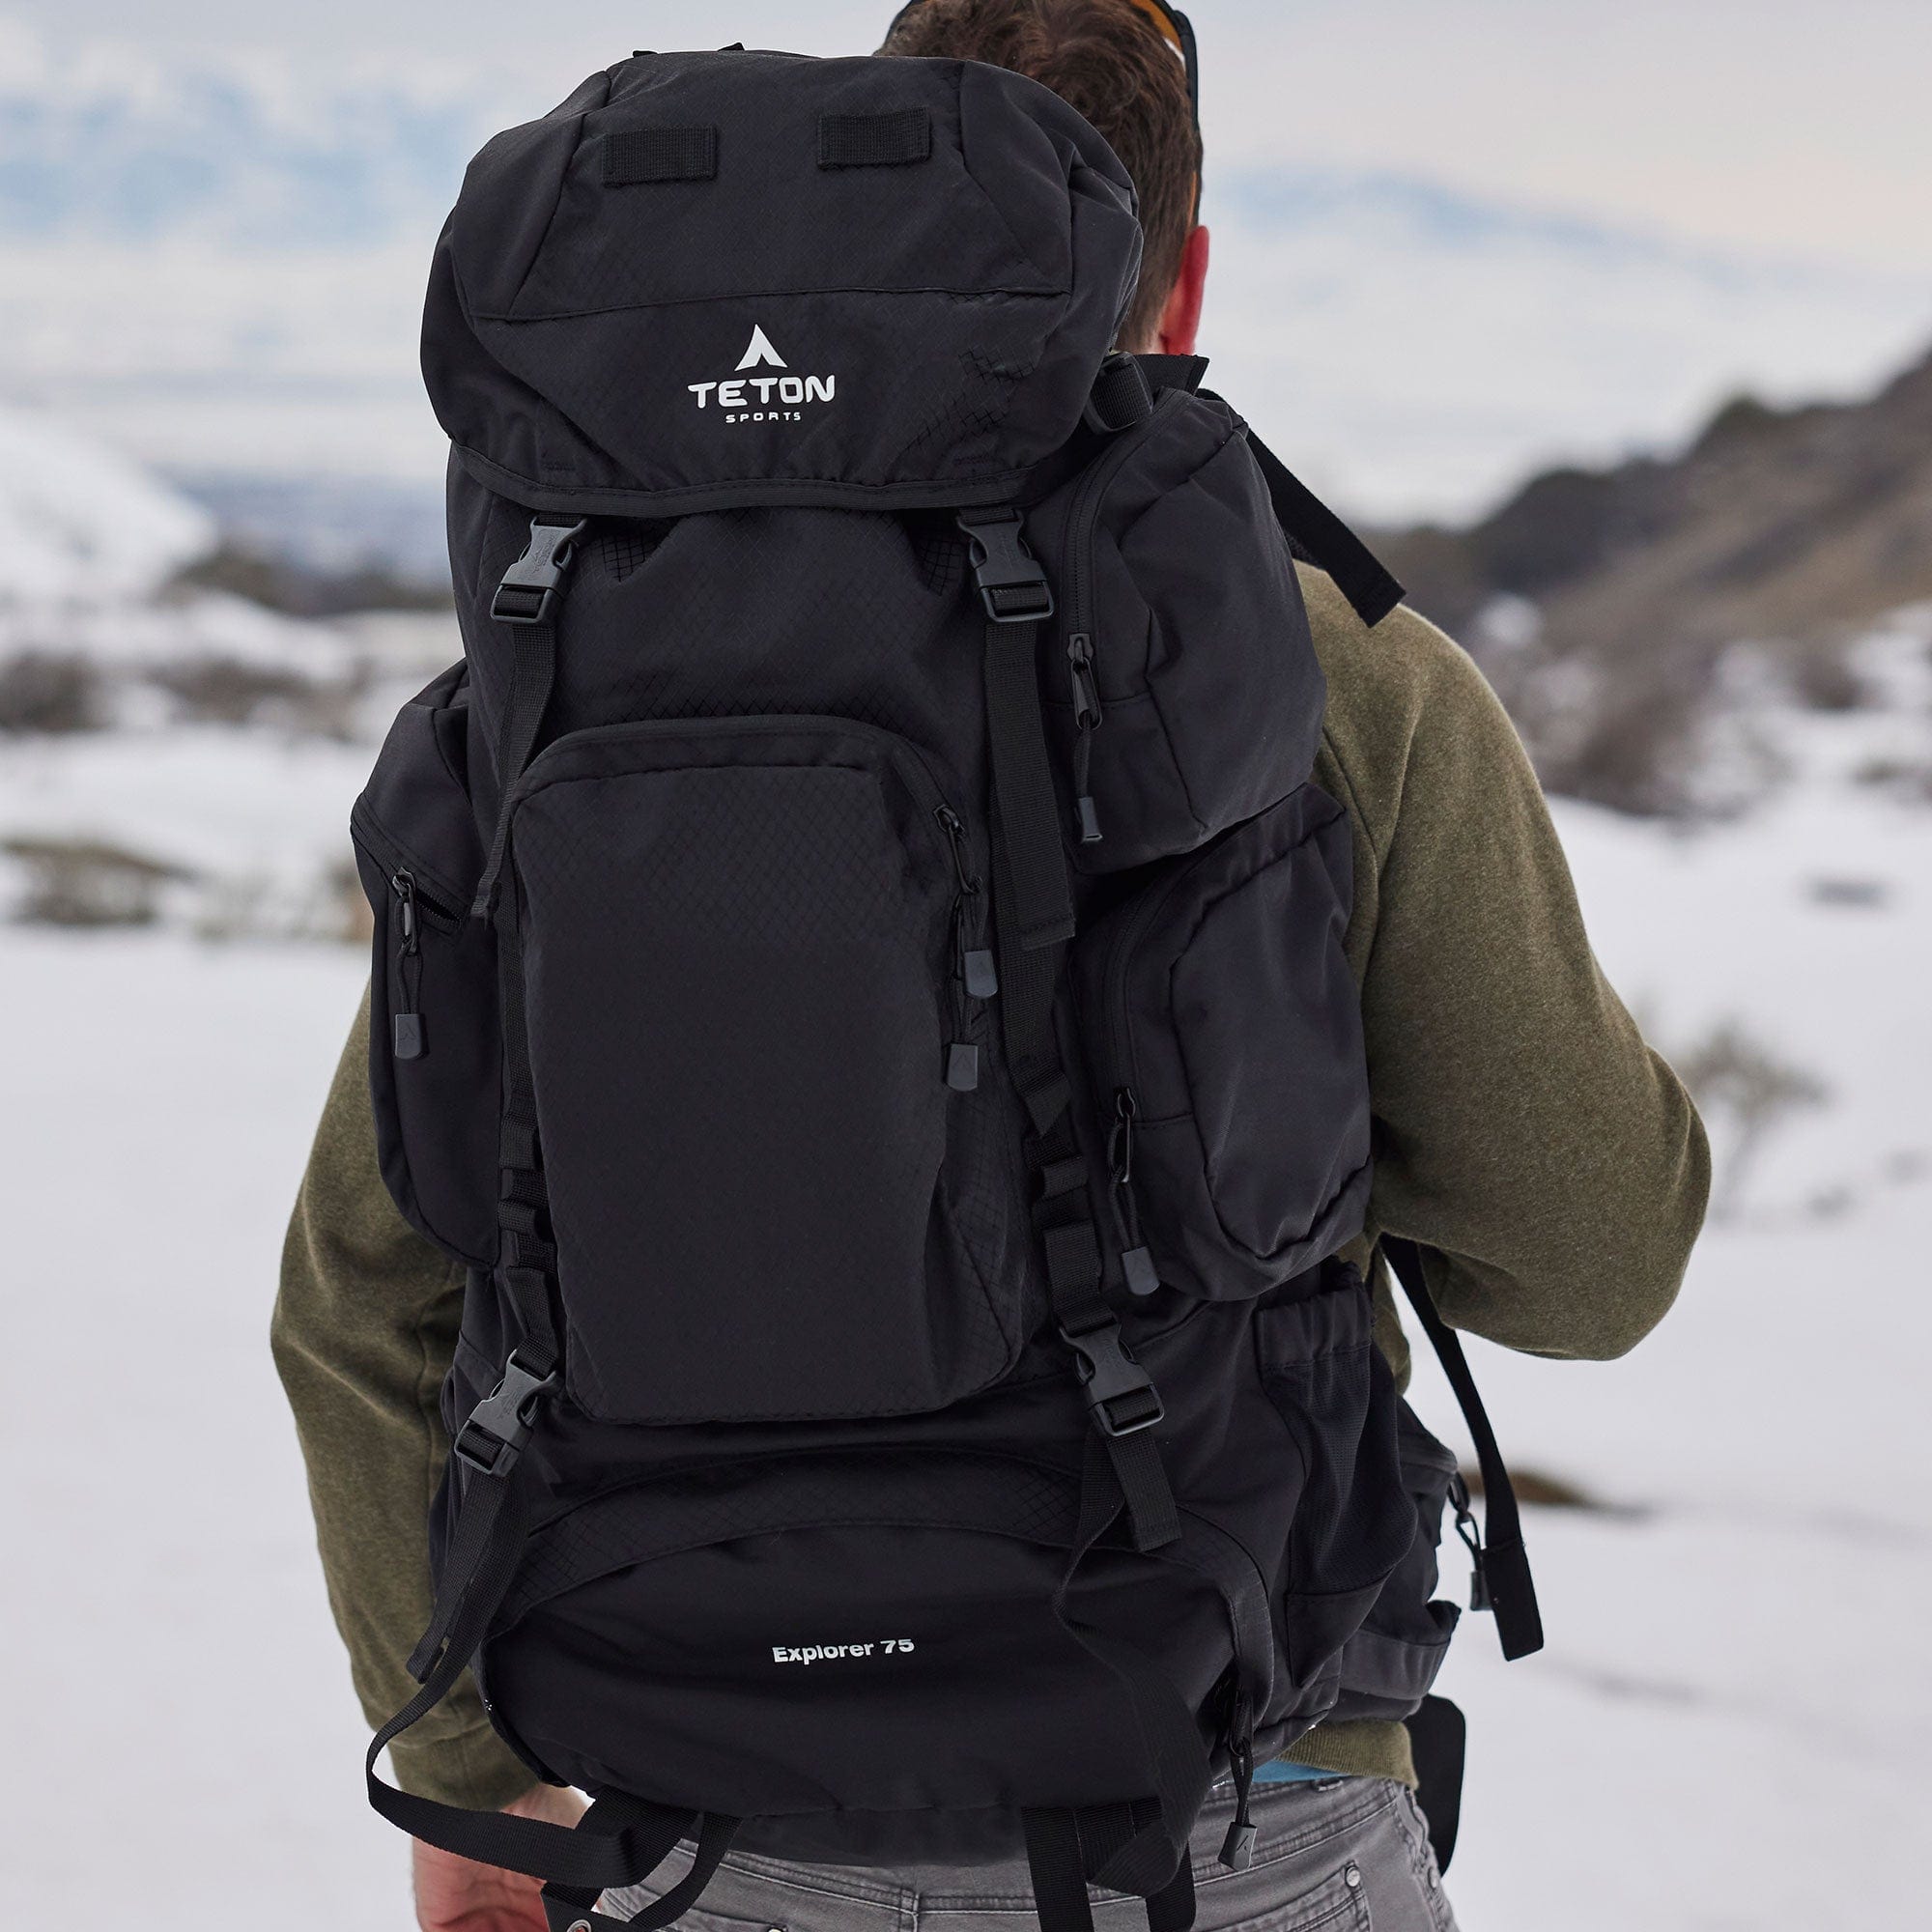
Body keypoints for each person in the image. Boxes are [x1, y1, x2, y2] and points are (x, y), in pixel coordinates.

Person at [273, 3, 1710, 1928]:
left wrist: (468, 1790)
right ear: (1179, 277)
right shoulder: (1336, 676)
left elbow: (362, 1300)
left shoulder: (584, 677)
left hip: (712, 1809)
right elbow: (1591, 1261)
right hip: (1238, 1803)